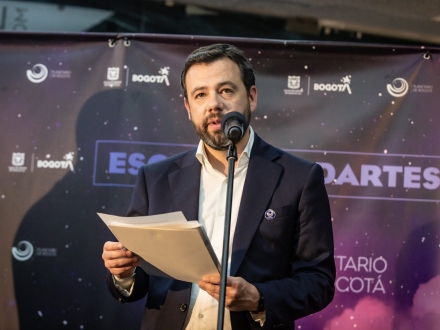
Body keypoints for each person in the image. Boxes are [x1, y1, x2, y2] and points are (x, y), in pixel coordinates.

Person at [102, 43, 336, 330]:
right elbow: (139, 283)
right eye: (200, 94)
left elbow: (318, 281)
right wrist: (123, 272)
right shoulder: (155, 179)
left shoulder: (298, 177)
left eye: (226, 90)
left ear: (251, 97)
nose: (214, 104)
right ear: (188, 108)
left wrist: (259, 298)